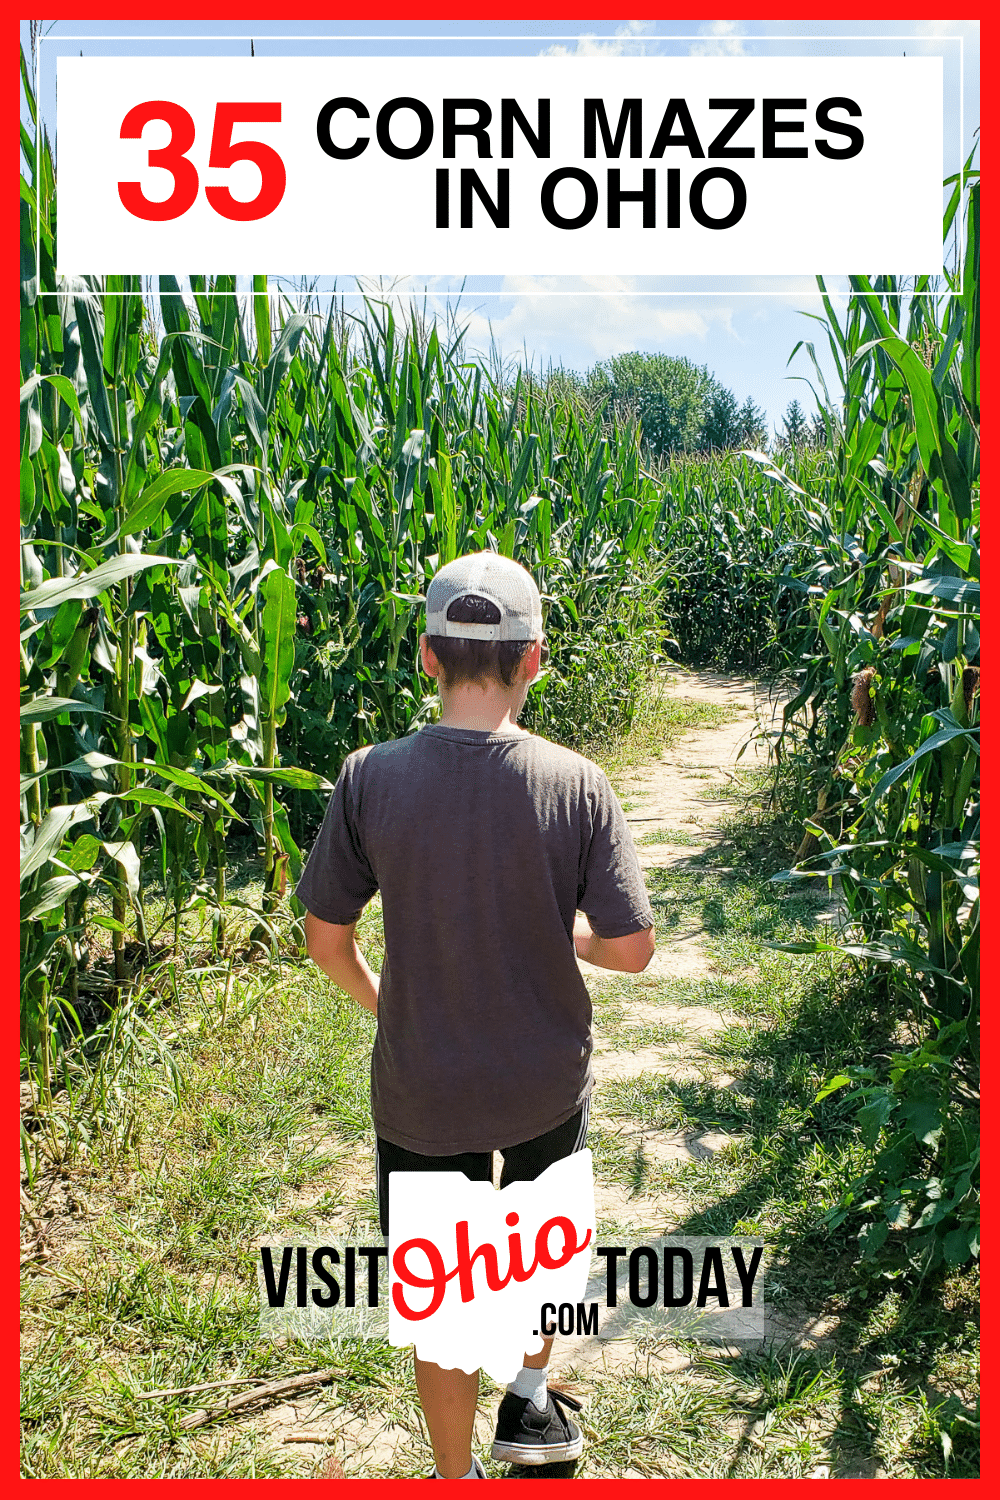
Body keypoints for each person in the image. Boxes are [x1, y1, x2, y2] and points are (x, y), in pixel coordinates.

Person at [296, 552, 655, 1478]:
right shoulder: (578, 784)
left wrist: (394, 1014)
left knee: (444, 1298)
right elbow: (631, 949)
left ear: (427, 657)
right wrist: (561, 939)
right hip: (543, 1082)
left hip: (423, 1092)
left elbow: (326, 940)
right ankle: (530, 1404)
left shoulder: (369, 777)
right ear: (534, 660)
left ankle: (454, 1476)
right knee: (542, 1259)